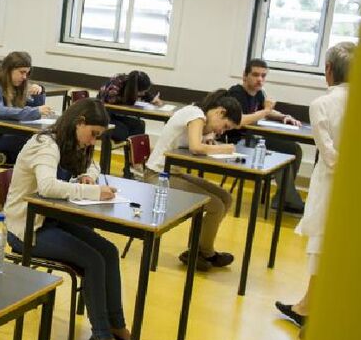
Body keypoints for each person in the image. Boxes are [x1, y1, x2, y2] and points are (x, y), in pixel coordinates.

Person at [4, 98, 143, 340]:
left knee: (109, 251)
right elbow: (47, 187)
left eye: (98, 137)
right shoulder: (45, 144)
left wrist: (85, 177)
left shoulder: (71, 143)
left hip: (51, 220)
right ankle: (101, 338)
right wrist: (92, 190)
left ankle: (116, 326)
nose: (93, 142)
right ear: (78, 123)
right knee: (92, 260)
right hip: (27, 229)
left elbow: (91, 166)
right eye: (93, 135)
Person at [276, 42, 354, 328]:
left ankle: (309, 307)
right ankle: (309, 302)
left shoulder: (321, 104)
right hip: (360, 180)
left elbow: (328, 150)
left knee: (320, 241)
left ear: (328, 70)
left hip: (332, 179)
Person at [144, 89, 243, 271]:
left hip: (173, 172)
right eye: (225, 126)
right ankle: (204, 252)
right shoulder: (196, 115)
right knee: (216, 205)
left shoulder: (199, 116)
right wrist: (225, 148)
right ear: (220, 112)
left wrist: (210, 139)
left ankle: (198, 250)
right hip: (158, 176)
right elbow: (196, 147)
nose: (222, 131)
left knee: (226, 197)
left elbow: (197, 142)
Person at [226, 59, 306, 213]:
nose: (260, 80)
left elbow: (266, 110)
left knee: (294, 150)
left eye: (263, 76)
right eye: (255, 75)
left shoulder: (258, 93)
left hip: (253, 139)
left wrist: (283, 117)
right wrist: (266, 110)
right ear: (245, 76)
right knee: (279, 156)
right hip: (238, 142)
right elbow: (240, 121)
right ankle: (289, 199)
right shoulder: (236, 93)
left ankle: (281, 198)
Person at [0, 51, 53, 163]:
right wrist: (35, 111)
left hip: (9, 134)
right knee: (36, 143)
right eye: (22, 72)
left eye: (27, 73)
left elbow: (35, 107)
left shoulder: (15, 86)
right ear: (8, 69)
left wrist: (39, 92)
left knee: (42, 142)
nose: (25, 77)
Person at [97, 70, 163, 178]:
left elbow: (146, 95)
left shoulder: (134, 85)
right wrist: (130, 98)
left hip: (115, 116)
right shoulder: (116, 84)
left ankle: (132, 167)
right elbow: (110, 100)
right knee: (124, 132)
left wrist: (154, 100)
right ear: (135, 88)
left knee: (139, 125)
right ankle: (133, 164)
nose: (142, 94)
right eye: (141, 92)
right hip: (103, 115)